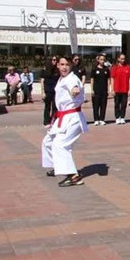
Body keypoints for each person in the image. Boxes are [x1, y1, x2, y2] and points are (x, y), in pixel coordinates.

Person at [41, 55, 88, 187]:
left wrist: (75, 91)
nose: (64, 67)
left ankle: (73, 176)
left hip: (72, 118)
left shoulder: (71, 79)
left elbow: (74, 88)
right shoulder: (62, 78)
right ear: (57, 65)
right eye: (62, 64)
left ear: (71, 66)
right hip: (62, 117)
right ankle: (58, 166)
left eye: (67, 65)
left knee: (60, 145)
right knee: (47, 141)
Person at [109, 54, 130, 124]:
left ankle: (122, 117)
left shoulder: (128, 67)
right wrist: (112, 89)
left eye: (124, 59)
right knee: (117, 104)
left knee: (124, 104)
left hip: (125, 89)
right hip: (117, 89)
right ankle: (117, 117)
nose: (123, 60)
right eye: (121, 59)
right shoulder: (114, 67)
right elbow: (112, 78)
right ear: (118, 59)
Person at [90, 54, 109, 126]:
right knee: (96, 105)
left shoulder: (106, 69)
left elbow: (108, 79)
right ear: (98, 60)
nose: (102, 61)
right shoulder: (94, 69)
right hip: (96, 90)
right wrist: (92, 90)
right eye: (101, 59)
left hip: (104, 90)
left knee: (103, 105)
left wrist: (108, 89)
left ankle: (102, 119)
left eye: (103, 60)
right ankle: (96, 119)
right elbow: (92, 79)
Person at [41, 56, 59, 125]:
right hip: (48, 90)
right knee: (47, 106)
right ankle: (46, 120)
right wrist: (42, 92)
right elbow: (42, 81)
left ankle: (53, 119)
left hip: (56, 91)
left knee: (55, 106)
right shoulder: (45, 70)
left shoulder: (58, 70)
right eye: (53, 60)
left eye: (56, 60)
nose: (54, 61)